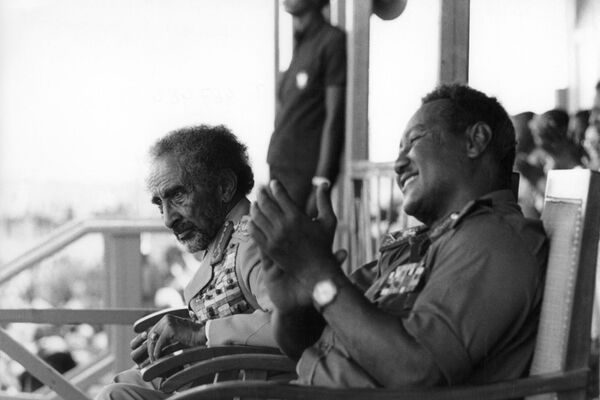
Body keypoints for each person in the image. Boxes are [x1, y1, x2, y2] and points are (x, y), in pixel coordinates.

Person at [250, 84, 548, 388]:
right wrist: (294, 304)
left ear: (475, 140)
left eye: (414, 141)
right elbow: (307, 341)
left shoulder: (494, 240)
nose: (398, 164)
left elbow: (416, 372)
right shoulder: (420, 245)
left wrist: (317, 273)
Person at [95, 125, 274, 400]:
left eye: (178, 196)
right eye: (159, 204)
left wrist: (201, 332)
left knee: (116, 395)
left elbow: (296, 325)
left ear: (224, 186)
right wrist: (188, 327)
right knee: (121, 386)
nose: (167, 219)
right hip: (214, 381)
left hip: (240, 388)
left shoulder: (254, 243)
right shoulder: (228, 238)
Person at [267, 0, 346, 216]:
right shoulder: (301, 44)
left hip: (303, 176)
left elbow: (335, 117)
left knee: (293, 246)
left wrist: (321, 181)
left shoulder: (332, 41)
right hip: (279, 169)